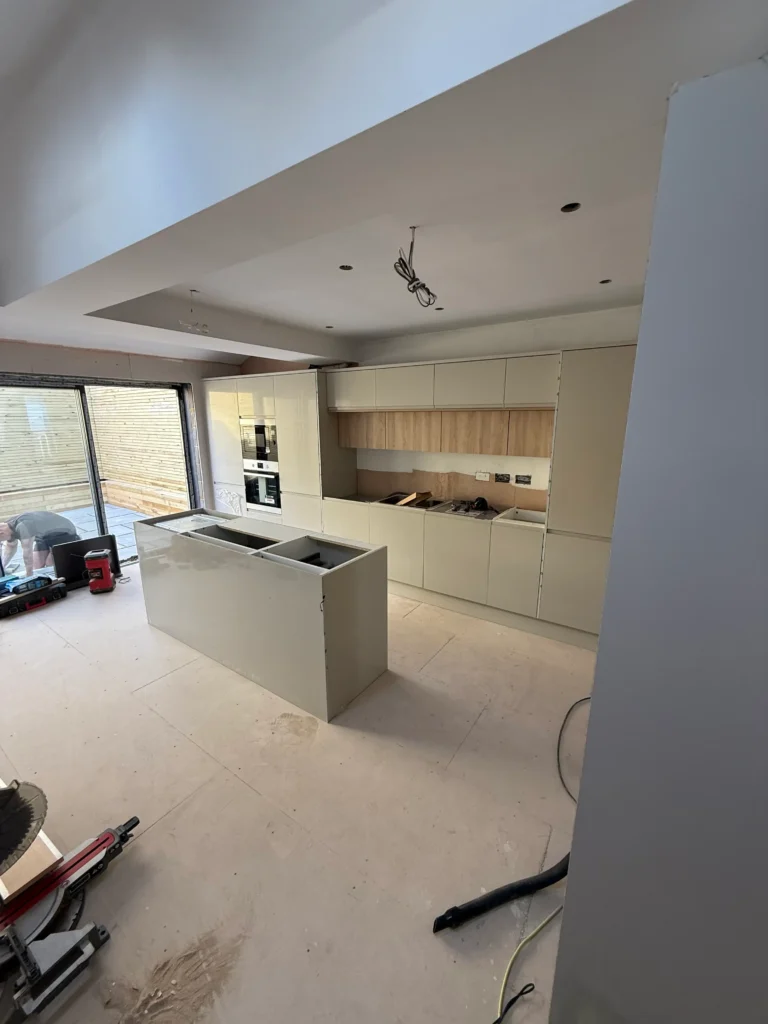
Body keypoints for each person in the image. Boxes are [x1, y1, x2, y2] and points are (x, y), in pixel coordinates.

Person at [0, 512, 80, 576]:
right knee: (36, 567)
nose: (2, 542)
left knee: (50, 565)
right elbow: (10, 547)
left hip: (64, 533)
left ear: (1, 533)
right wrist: (2, 568)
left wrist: (29, 575)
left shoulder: (23, 526)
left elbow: (27, 553)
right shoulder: (6, 526)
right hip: (44, 537)